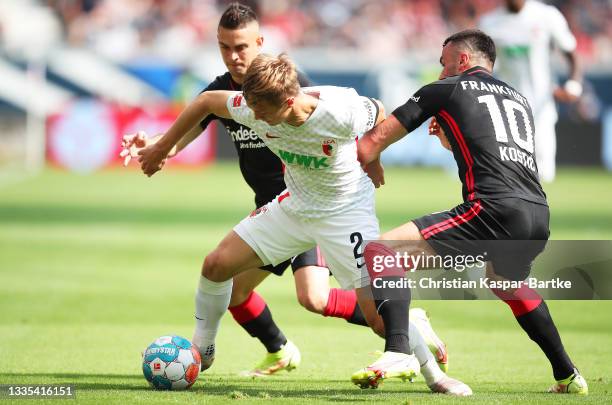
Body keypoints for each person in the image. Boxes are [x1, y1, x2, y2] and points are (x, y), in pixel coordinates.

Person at [122, 2, 449, 379]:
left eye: (241, 47)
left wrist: (371, 152)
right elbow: (203, 109)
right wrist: (161, 145)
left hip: (335, 208)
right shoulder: (236, 97)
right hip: (284, 206)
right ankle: (245, 351)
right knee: (226, 278)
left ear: (260, 43)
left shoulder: (305, 95)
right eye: (224, 47)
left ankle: (412, 339)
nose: (232, 56)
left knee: (319, 299)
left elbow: (375, 110)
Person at [357, 28, 588, 395]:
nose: (439, 69)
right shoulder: (518, 98)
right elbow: (490, 152)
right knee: (505, 283)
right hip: (537, 212)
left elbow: (370, 142)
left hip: (493, 209)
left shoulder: (446, 89)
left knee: (381, 251)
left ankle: (398, 350)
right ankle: (568, 374)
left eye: (443, 61)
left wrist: (370, 160)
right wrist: (449, 138)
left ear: (462, 60)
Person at [479, 0, 582, 183]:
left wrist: (573, 84)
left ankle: (537, 210)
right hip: (504, 108)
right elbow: (482, 66)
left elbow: (571, 53)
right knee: (506, 171)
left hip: (541, 106)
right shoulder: (489, 23)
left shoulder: (546, 16)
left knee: (543, 173)